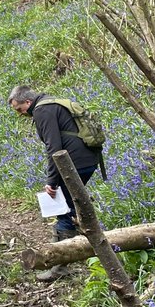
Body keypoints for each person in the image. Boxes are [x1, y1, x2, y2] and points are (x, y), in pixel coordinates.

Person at [8, 85, 100, 282]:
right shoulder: (50, 103)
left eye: (19, 109)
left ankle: (59, 265)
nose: (20, 113)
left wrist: (52, 181)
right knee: (76, 206)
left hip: (74, 164)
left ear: (28, 102)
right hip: (88, 160)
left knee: (64, 213)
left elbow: (54, 147)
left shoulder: (42, 110)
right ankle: (86, 250)